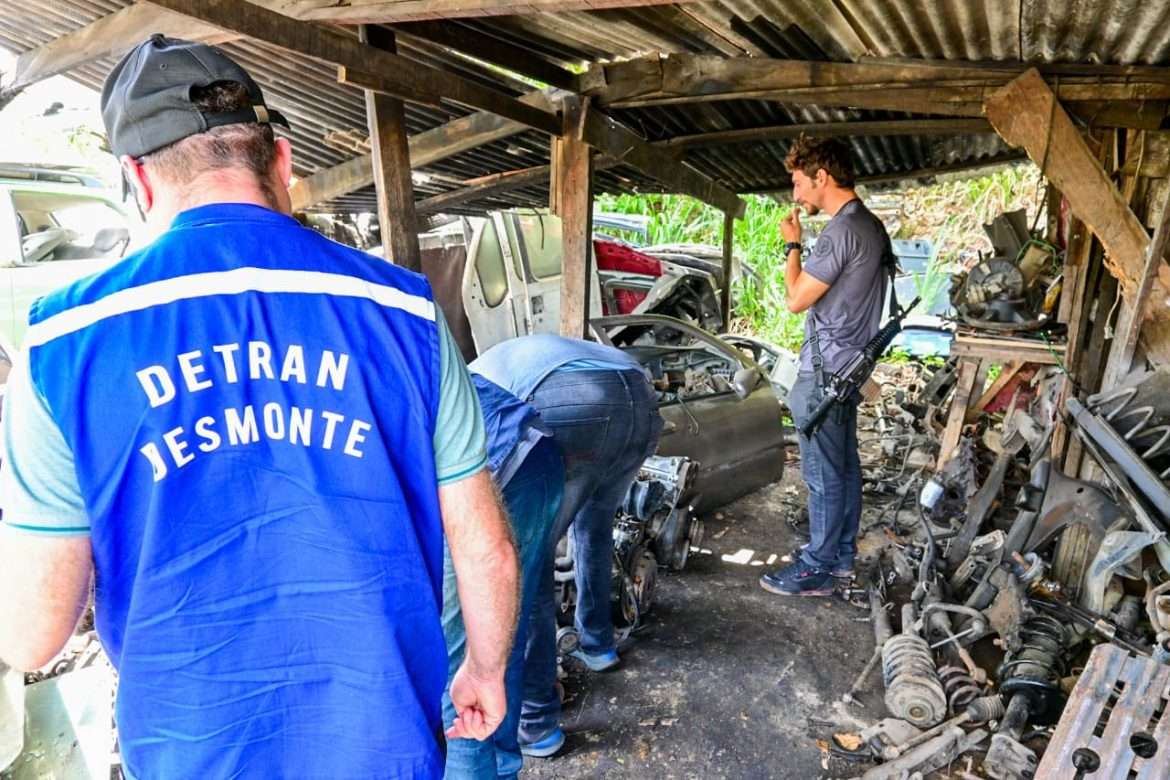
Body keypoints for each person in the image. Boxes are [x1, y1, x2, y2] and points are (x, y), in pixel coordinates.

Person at [0, 36, 519, 779]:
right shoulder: (402, 310)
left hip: (193, 750)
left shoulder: (62, 345)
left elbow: (31, 634)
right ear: (280, 165)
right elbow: (486, 546)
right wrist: (487, 668)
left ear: (137, 181)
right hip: (386, 740)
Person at [471, 335, 664, 757]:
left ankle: (537, 721)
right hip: (638, 396)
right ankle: (597, 645)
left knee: (528, 566)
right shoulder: (499, 358)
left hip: (572, 399)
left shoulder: (469, 389)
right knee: (594, 528)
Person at [759, 136, 890, 597]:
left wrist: (792, 246)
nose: (796, 195)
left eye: (798, 183)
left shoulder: (841, 231)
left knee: (822, 474)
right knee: (844, 468)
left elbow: (796, 299)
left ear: (822, 177)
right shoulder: (870, 227)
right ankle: (839, 558)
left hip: (827, 372)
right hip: (849, 369)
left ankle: (816, 565)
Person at [442, 375, 564, 780]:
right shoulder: (433, 353)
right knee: (497, 638)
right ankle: (516, 756)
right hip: (539, 453)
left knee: (457, 671)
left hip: (496, 464)